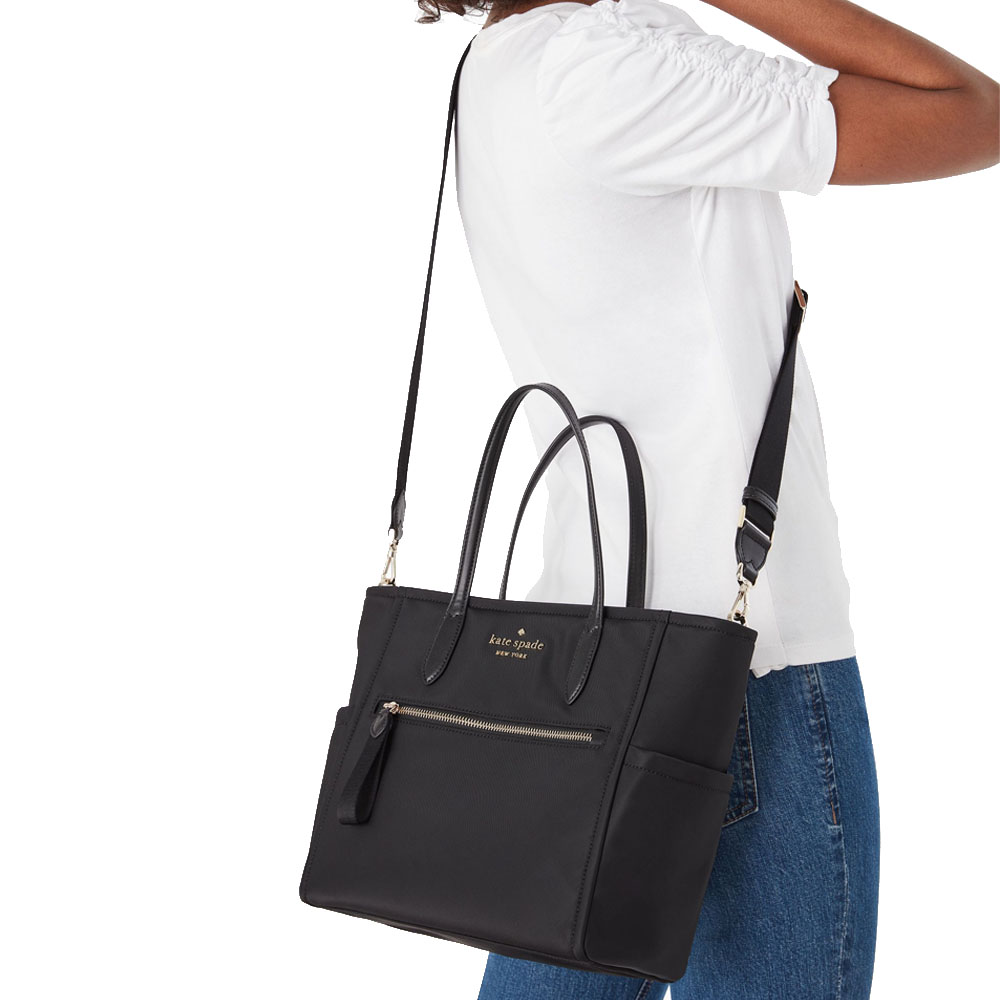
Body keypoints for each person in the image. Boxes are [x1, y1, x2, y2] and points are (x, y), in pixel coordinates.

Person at [416, 0, 998, 996]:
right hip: (740, 662)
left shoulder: (494, 72)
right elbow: (969, 111)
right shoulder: (611, 67)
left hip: (587, 655)